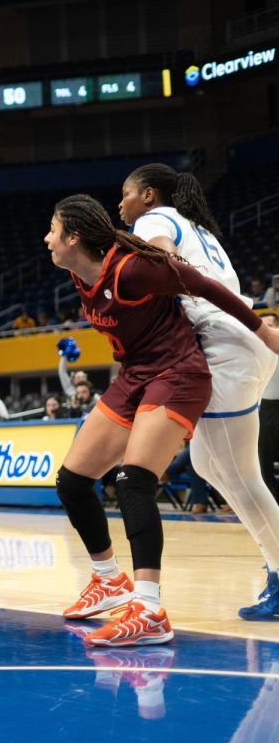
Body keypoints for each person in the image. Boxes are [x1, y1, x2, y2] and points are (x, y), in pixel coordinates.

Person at [44, 194, 279, 646]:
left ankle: (150, 610)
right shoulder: (78, 272)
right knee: (73, 482)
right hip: (135, 375)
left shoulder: (131, 270)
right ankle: (109, 579)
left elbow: (204, 285)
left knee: (133, 481)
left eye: (53, 229)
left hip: (178, 372)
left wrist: (264, 330)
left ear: (74, 237)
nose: (47, 237)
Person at [121, 163, 279, 621]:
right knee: (209, 464)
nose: (121, 203)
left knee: (242, 477)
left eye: (126, 194)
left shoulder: (153, 222)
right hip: (239, 344)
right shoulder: (191, 224)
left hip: (226, 347)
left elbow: (162, 259)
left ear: (148, 195)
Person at [261, 315, 279, 506]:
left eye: (271, 325)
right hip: (263, 408)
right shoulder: (254, 350)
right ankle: (270, 507)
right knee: (263, 461)